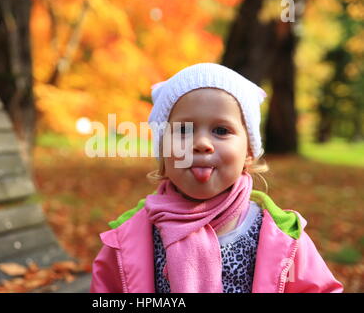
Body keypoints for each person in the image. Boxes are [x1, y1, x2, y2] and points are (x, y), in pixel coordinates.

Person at [90, 63, 343, 293]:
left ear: (249, 152)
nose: (201, 143)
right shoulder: (129, 237)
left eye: (221, 130)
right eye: (183, 131)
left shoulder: (280, 234)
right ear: (163, 151)